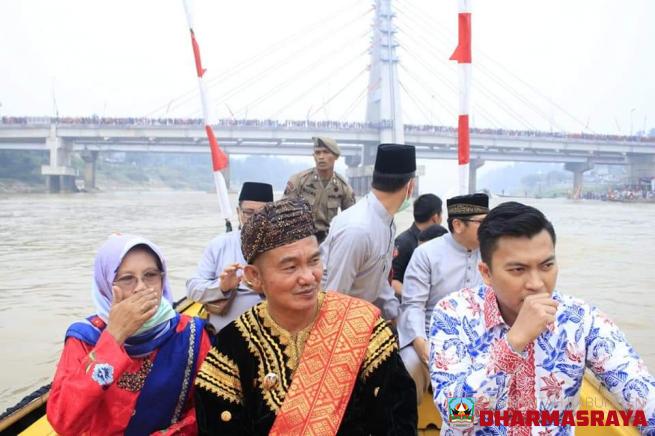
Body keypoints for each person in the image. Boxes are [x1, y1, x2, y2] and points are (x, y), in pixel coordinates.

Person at [194, 198, 417, 435]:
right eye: (290, 267)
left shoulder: (363, 327)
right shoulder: (231, 346)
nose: (309, 277)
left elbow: (398, 419)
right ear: (254, 277)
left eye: (314, 261)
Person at [429, 202, 655, 434]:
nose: (537, 284)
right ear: (486, 273)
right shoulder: (453, 313)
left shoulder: (581, 320)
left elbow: (639, 391)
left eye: (546, 266)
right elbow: (457, 415)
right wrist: (513, 343)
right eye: (518, 270)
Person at [47, 234, 212, 435]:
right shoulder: (85, 338)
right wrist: (114, 335)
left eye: (150, 275)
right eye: (127, 279)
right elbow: (64, 422)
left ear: (162, 280)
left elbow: (209, 408)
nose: (141, 287)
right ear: (106, 285)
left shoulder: (190, 334)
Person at [397, 193, 489, 403]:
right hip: (430, 337)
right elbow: (413, 306)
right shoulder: (426, 254)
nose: (489, 228)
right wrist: (422, 345)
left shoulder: (492, 253)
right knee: (408, 367)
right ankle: (406, 419)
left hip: (478, 341)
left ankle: (462, 420)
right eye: (482, 223)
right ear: (458, 225)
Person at [321, 143, 416, 321]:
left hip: (363, 317)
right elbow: (334, 298)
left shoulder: (386, 222)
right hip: (339, 322)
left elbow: (378, 280)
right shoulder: (358, 230)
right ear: (410, 186)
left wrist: (396, 317)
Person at [186, 182, 274, 332]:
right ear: (238, 212)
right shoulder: (220, 244)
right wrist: (222, 287)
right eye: (249, 212)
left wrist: (264, 289)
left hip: (269, 333)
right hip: (222, 335)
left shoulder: (282, 248)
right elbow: (192, 288)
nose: (255, 219)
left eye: (262, 214)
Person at [283, 136, 356, 243]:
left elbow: (351, 220)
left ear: (335, 156)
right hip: (301, 239)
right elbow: (283, 212)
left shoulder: (343, 187)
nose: (321, 157)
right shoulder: (299, 180)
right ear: (314, 156)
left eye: (326, 152)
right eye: (317, 153)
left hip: (327, 241)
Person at [391, 193, 446, 296]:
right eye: (441, 214)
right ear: (435, 217)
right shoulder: (403, 242)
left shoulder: (442, 238)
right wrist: (414, 297)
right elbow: (393, 281)